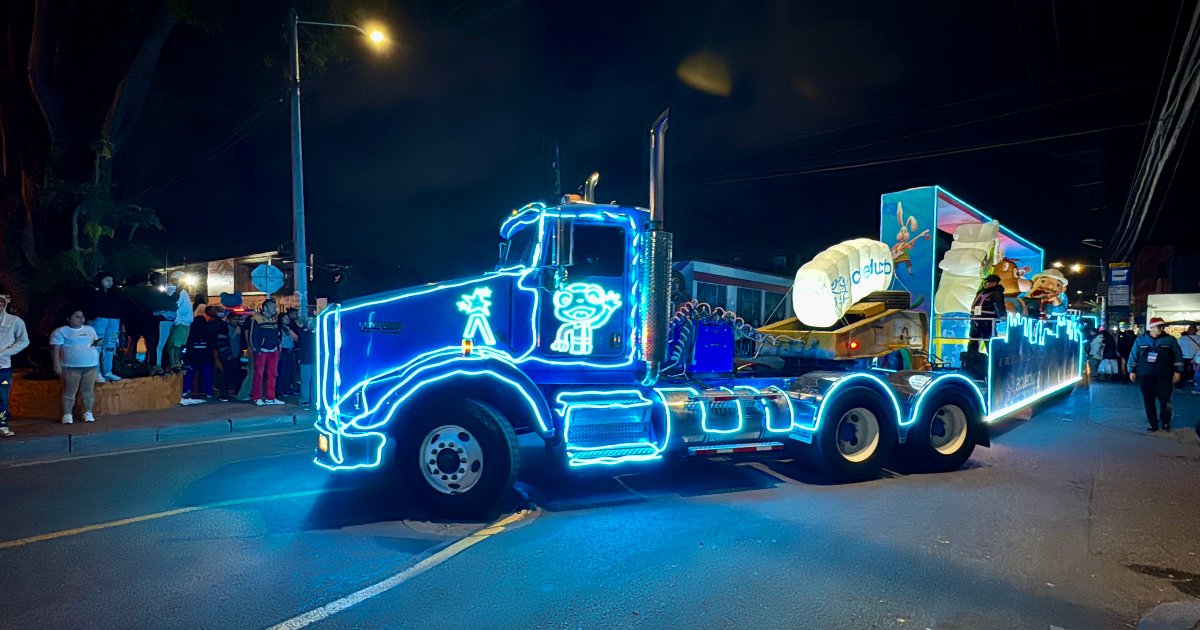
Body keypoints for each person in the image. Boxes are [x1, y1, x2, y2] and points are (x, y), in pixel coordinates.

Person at [1127, 317, 1184, 432]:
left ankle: (1165, 422)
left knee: (1165, 400)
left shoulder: (1170, 340)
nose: (1162, 329)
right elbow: (1133, 355)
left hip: (1164, 375)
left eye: (1163, 326)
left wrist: (1178, 371)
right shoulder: (1140, 340)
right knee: (1148, 401)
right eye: (1159, 326)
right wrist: (1131, 370)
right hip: (1146, 375)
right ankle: (1153, 423)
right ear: (1151, 327)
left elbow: (1178, 355)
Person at [51, 309, 101, 424]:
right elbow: (56, 348)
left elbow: (95, 343)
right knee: (69, 391)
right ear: (68, 318)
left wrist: (99, 344)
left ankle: (88, 412)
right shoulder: (61, 331)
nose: (81, 319)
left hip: (90, 365)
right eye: (77, 317)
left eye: (82, 317)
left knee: (88, 391)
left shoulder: (90, 329)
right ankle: (67, 414)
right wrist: (56, 363)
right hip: (70, 366)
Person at [84, 271, 124, 382]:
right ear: (100, 280)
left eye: (111, 280)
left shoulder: (115, 294)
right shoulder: (93, 292)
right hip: (99, 320)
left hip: (113, 321)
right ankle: (96, 372)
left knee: (110, 346)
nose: (110, 283)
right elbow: (89, 307)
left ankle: (108, 371)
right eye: (107, 280)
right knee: (98, 346)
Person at [0, 293, 30, 437]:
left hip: (3, 368)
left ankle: (2, 424)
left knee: (2, 397)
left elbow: (24, 340)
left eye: (1, 302)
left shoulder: (14, 321)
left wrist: (6, 352)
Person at [248, 299, 284, 406]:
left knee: (273, 374)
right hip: (262, 351)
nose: (274, 308)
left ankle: (270, 397)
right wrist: (257, 349)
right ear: (265, 308)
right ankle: (257, 397)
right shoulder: (257, 319)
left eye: (274, 306)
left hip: (273, 350)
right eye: (272, 306)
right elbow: (252, 336)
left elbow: (277, 335)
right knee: (258, 375)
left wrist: (277, 346)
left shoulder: (273, 320)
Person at [181, 307, 216, 404]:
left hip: (192, 358)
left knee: (190, 375)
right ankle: (208, 392)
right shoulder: (208, 332)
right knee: (207, 376)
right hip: (206, 358)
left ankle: (186, 390)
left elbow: (187, 345)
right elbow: (212, 344)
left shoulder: (191, 333)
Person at [164, 271, 193, 372]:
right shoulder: (171, 290)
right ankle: (173, 364)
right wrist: (176, 320)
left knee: (179, 345)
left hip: (185, 322)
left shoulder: (182, 291)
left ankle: (177, 363)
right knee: (174, 345)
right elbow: (175, 306)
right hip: (179, 321)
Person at [968, 274, 1006, 352]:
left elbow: (999, 304)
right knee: (973, 340)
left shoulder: (996, 293)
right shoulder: (981, 291)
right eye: (986, 281)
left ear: (995, 283)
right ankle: (972, 356)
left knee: (988, 340)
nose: (986, 283)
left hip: (987, 320)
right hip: (975, 319)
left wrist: (1002, 316)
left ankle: (992, 357)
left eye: (989, 282)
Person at [277, 307, 299, 396]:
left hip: (290, 351)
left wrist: (290, 330)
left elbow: (296, 339)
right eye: (285, 318)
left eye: (287, 318)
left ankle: (287, 388)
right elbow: (278, 342)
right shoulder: (279, 329)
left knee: (290, 370)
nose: (287, 319)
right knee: (282, 370)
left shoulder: (290, 328)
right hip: (283, 351)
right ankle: (280, 389)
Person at [296, 312, 316, 408]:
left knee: (314, 380)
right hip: (305, 358)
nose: (312, 323)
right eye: (309, 321)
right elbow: (302, 344)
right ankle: (305, 399)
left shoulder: (316, 333)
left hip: (314, 358)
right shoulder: (303, 333)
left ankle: (313, 399)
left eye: (313, 321)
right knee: (306, 379)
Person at [1178, 324, 1200, 389]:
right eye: (1190, 329)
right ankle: (1189, 382)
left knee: (1187, 371)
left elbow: (1178, 347)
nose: (1190, 330)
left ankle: (1184, 383)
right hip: (1192, 358)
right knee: (1192, 371)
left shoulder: (1182, 338)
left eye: (1191, 329)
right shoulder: (1182, 338)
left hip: (1192, 358)